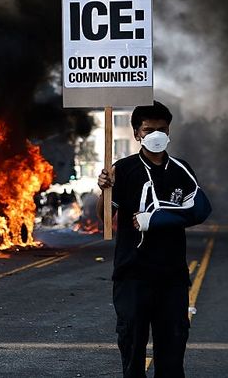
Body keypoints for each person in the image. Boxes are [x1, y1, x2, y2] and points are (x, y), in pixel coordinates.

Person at [96, 101, 211, 378]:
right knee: (132, 348)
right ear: (137, 133)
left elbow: (198, 211)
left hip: (171, 275)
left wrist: (156, 219)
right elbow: (106, 219)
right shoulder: (122, 170)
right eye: (149, 129)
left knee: (172, 352)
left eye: (162, 129)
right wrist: (104, 191)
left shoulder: (181, 170)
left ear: (169, 131)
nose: (156, 134)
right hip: (132, 273)